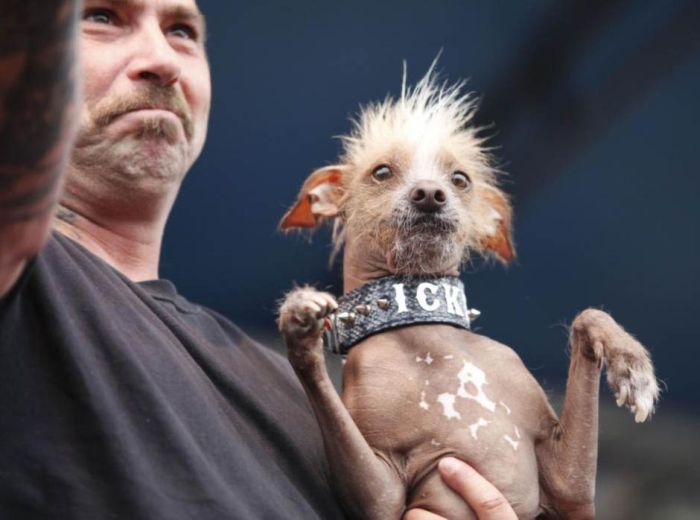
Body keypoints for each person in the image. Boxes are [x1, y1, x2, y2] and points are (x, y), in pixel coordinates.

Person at [0, 1, 517, 518]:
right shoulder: (25, 277)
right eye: (102, 17)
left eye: (181, 31)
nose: (163, 59)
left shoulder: (294, 384)